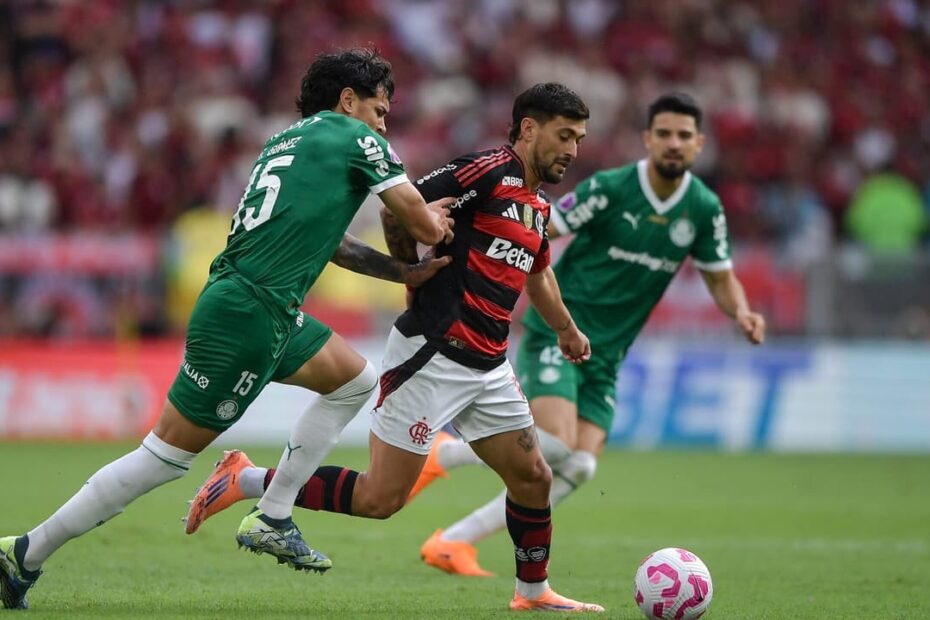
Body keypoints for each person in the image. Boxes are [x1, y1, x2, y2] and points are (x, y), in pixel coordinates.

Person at [0, 48, 456, 610]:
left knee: (355, 381)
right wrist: (444, 219)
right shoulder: (353, 137)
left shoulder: (288, 142)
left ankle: (273, 513)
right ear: (348, 101)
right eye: (380, 109)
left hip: (262, 305)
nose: (385, 123)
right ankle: (25, 551)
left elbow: (331, 243)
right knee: (160, 459)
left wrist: (401, 272)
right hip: (250, 311)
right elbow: (416, 216)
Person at [185, 83, 605, 613]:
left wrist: (566, 330)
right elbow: (397, 211)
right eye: (564, 135)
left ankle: (532, 592)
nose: (572, 148)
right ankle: (243, 479)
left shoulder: (537, 205)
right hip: (432, 354)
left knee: (534, 477)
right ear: (528, 129)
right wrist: (412, 275)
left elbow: (539, 274)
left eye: (579, 139)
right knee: (381, 499)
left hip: (490, 365)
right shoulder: (485, 170)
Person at [408, 92, 767, 576]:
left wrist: (742, 312)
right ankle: (446, 452)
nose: (673, 144)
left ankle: (452, 542)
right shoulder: (613, 188)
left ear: (699, 144)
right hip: (560, 331)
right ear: (647, 139)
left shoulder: (703, 209)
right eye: (664, 133)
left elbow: (720, 277)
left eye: (684, 136)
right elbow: (544, 225)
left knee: (579, 466)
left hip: (609, 352)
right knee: (553, 444)